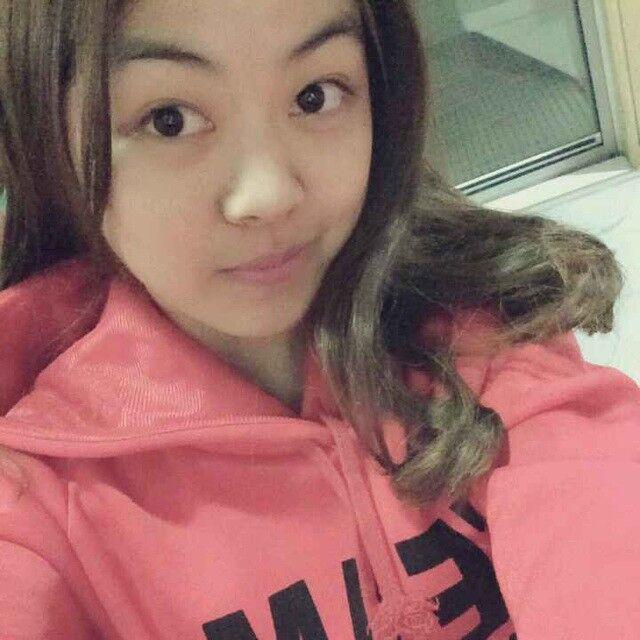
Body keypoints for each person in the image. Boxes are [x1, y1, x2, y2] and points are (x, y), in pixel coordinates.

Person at [0, 0, 638, 638]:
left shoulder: (483, 326)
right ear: (50, 143)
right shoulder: (39, 499)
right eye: (170, 120)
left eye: (315, 96)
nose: (269, 193)